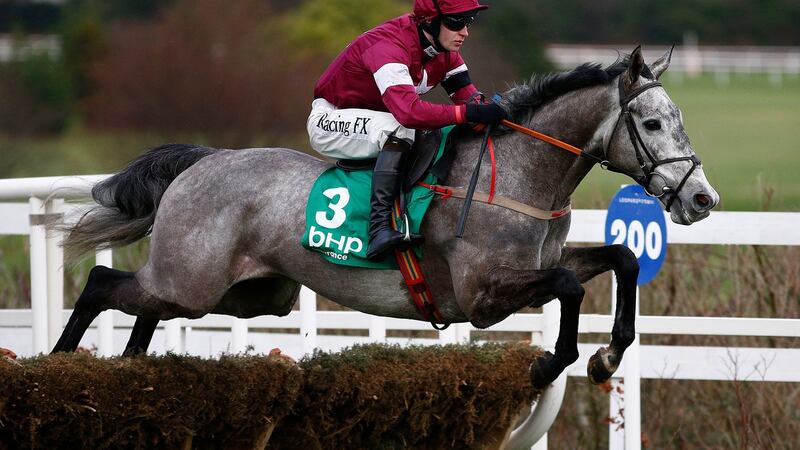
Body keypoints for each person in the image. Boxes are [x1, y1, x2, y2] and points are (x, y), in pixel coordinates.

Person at [307, 0, 507, 261]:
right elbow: (409, 113)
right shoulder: (389, 46)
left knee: (436, 131)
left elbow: (469, 102)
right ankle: (378, 230)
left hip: (376, 120)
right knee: (400, 128)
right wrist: (467, 114)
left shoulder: (444, 52)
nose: (465, 32)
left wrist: (492, 112)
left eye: (467, 22)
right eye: (456, 23)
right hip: (329, 120)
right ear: (430, 21)